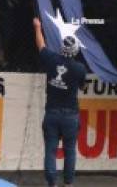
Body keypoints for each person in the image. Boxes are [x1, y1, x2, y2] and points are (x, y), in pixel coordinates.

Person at [33, 16, 87, 187]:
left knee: (51, 149)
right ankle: (68, 183)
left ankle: (51, 183)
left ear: (62, 48)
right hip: (71, 115)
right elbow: (82, 87)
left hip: (52, 113)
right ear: (76, 50)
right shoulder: (79, 68)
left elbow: (41, 45)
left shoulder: (51, 59)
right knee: (69, 150)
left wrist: (37, 27)